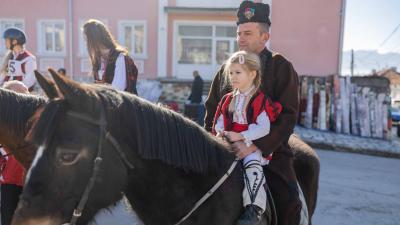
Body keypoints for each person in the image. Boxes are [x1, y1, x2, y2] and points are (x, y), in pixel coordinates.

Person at [204, 1, 303, 225]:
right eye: (239, 33)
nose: (241, 38)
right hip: (223, 149)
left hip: (271, 151)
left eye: (248, 33)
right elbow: (211, 111)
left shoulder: (281, 66)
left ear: (264, 37)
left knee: (288, 201)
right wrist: (214, 142)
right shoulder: (227, 69)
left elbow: (288, 117)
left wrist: (254, 146)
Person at [212, 51, 282, 225]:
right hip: (229, 142)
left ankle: (254, 208)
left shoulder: (259, 100)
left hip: (250, 144)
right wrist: (221, 132)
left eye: (238, 72)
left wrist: (242, 135)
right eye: (231, 73)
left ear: (252, 74)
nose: (233, 77)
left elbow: (263, 127)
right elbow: (219, 121)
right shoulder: (228, 99)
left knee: (252, 166)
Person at [83, 19, 138, 94]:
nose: (86, 44)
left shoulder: (120, 57)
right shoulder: (98, 59)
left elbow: (118, 89)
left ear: (94, 39)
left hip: (122, 104)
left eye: (86, 40)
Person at [0, 81, 27, 225]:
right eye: (22, 92)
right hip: (10, 182)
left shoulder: (34, 117)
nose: (27, 95)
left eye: (27, 91)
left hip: (31, 182)